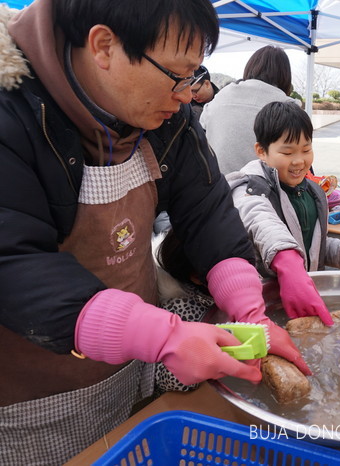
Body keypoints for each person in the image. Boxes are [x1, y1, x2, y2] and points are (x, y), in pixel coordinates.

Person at [0, 1, 307, 463]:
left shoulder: (167, 118)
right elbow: (13, 264)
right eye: (177, 75)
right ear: (104, 46)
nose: (187, 94)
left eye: (194, 75)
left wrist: (250, 311)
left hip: (130, 364)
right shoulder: (12, 110)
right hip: (33, 398)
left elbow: (207, 211)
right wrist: (162, 336)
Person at [227, 101, 340, 326]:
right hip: (263, 305)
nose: (299, 161)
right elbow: (262, 222)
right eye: (287, 152)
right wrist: (287, 263)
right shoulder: (250, 189)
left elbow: (315, 245)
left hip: (305, 295)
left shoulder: (313, 192)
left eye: (306, 150)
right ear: (261, 151)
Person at [201, 45, 298, 175]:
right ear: (285, 75)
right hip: (264, 185)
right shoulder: (288, 107)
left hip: (216, 181)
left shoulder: (220, 97)